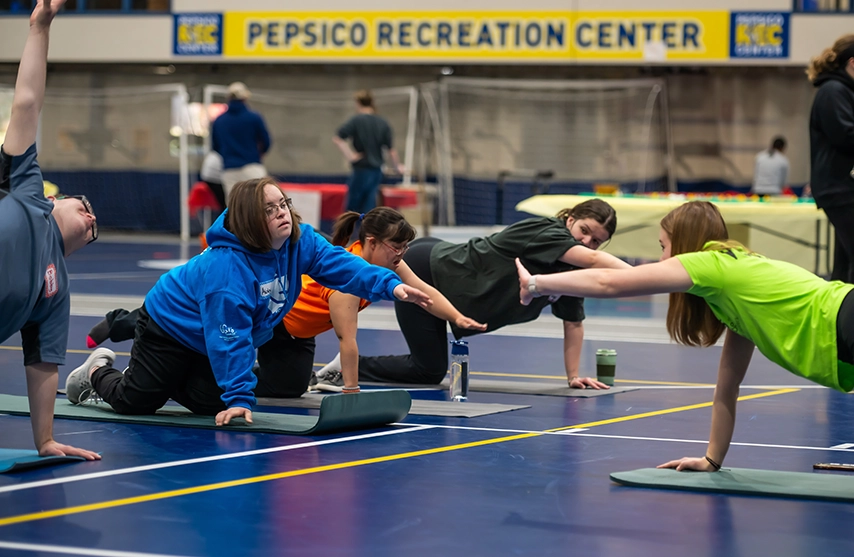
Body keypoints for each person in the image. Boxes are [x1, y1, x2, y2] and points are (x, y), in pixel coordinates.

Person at [515, 201, 854, 472]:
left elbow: (608, 282)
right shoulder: (733, 297)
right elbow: (727, 388)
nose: (662, 257)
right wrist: (712, 459)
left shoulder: (710, 263)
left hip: (843, 320)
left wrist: (536, 283)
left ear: (685, 243)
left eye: (664, 246)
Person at [65, 178, 431, 426]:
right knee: (137, 402)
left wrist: (391, 286)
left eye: (283, 204)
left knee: (212, 404)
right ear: (251, 220)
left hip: (206, 335)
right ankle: (97, 370)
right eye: (270, 209)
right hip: (170, 326)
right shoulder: (227, 270)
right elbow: (230, 337)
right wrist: (240, 396)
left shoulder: (299, 241)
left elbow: (343, 266)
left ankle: (164, 377)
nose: (282, 213)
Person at [318, 198, 630, 389]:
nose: (588, 243)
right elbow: (590, 260)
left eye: (596, 241)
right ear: (570, 221)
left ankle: (340, 367)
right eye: (584, 231)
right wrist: (641, 276)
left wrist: (573, 376)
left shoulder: (572, 273)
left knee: (428, 369)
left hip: (447, 281)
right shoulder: (548, 232)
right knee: (429, 371)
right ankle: (340, 369)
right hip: (430, 268)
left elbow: (573, 323)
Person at [0, 0, 100, 461]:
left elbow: (42, 364)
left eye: (94, 231)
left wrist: (44, 440)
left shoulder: (55, 291)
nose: (92, 220)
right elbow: (27, 101)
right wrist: (40, 26)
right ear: (57, 202)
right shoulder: (26, 188)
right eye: (88, 207)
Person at [254, 207, 485, 396]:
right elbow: (346, 339)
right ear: (372, 243)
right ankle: (225, 383)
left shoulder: (390, 263)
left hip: (303, 333)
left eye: (405, 247)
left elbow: (425, 293)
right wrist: (351, 390)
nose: (401, 254)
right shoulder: (347, 281)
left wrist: (457, 317)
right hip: (279, 323)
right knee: (282, 388)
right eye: (396, 247)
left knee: (293, 386)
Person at [807, 34, 854, 283]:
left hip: (843, 187)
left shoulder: (842, 91)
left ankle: (839, 318)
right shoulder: (833, 91)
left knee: (845, 262)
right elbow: (846, 135)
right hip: (839, 188)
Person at [332, 90, 405, 214]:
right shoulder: (383, 123)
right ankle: (366, 232)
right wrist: (397, 167)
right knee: (369, 207)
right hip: (376, 170)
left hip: (362, 168)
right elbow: (390, 150)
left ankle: (349, 231)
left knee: (352, 208)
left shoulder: (356, 120)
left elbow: (338, 138)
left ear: (358, 103)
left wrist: (350, 156)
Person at [211, 82, 271, 202]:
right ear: (245, 98)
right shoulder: (254, 117)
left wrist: (229, 157)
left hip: (229, 170)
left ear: (228, 98)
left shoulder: (219, 121)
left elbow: (215, 147)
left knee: (234, 208)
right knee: (260, 204)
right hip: (252, 167)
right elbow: (266, 141)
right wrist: (258, 154)